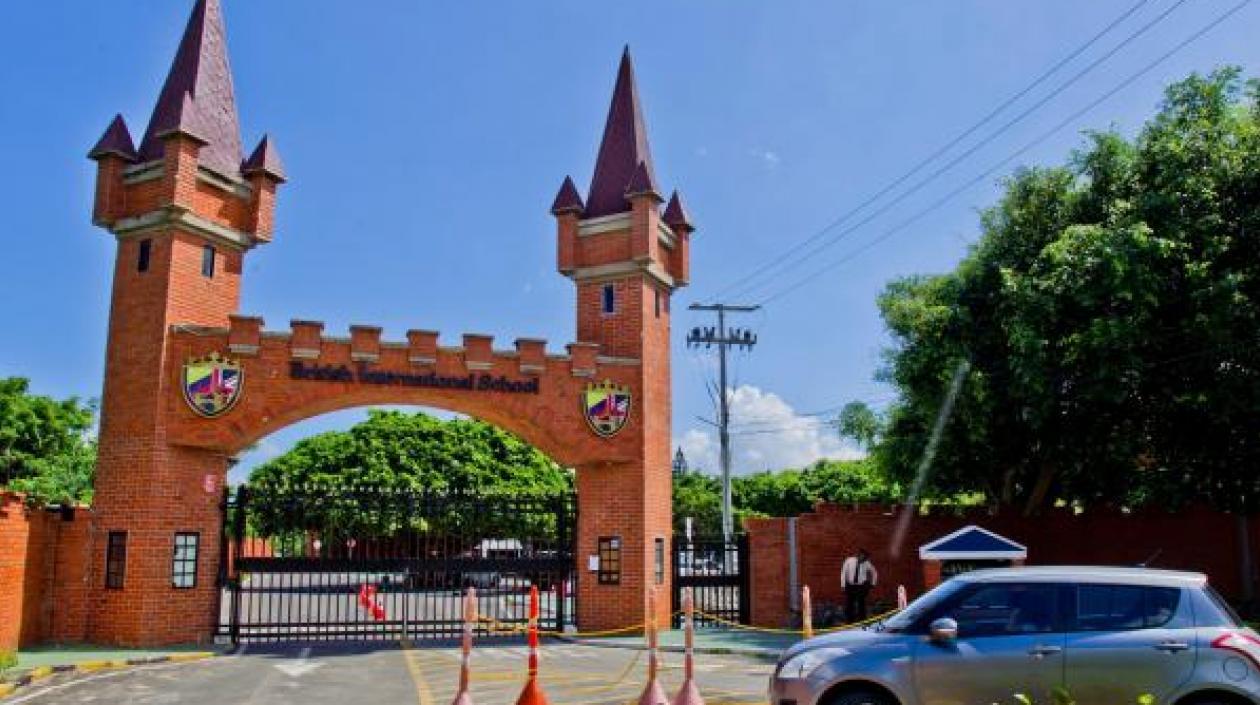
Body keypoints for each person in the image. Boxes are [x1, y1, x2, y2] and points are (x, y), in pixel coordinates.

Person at [841, 548, 878, 622]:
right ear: (858, 555)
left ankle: (862, 620)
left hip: (861, 586)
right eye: (862, 557)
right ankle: (850, 621)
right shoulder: (849, 561)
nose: (863, 559)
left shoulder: (866, 563)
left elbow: (874, 572)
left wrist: (873, 583)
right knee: (850, 604)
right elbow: (843, 573)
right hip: (850, 586)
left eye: (864, 558)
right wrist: (843, 585)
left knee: (861, 604)